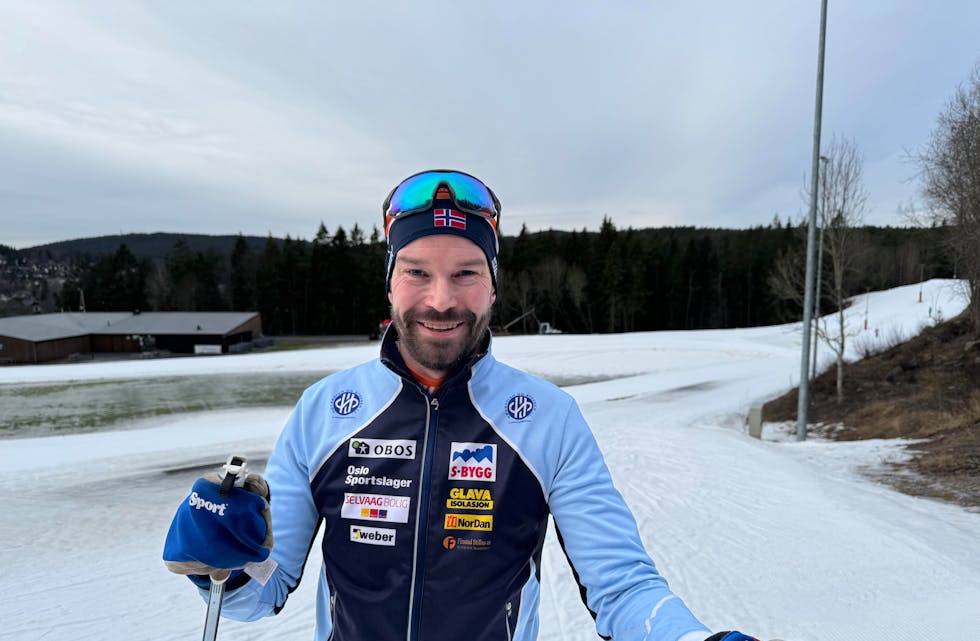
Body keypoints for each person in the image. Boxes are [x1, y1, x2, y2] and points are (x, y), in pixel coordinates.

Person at [163, 170, 761, 641]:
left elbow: (623, 586)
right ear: (390, 282)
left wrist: (692, 638)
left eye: (466, 273)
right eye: (417, 272)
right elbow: (261, 593)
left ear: (494, 285)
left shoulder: (549, 418)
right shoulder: (323, 411)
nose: (441, 300)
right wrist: (224, 562)